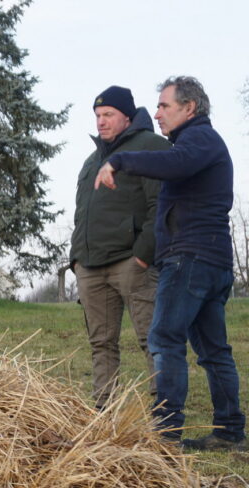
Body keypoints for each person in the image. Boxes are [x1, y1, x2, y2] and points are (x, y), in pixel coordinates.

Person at [95, 76, 245, 450]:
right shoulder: (197, 142)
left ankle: (165, 434)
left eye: (164, 106)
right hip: (208, 259)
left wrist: (120, 159)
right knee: (213, 351)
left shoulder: (199, 140)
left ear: (189, 108)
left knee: (164, 338)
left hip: (191, 258)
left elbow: (175, 163)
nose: (157, 113)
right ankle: (229, 431)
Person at [70, 86, 169, 408]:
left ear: (127, 116)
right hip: (90, 265)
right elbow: (82, 210)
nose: (101, 121)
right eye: (98, 115)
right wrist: (76, 259)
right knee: (101, 342)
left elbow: (160, 206)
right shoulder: (91, 159)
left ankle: (166, 412)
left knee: (152, 340)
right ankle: (102, 410)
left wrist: (143, 255)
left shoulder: (150, 146)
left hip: (131, 262)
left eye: (108, 114)